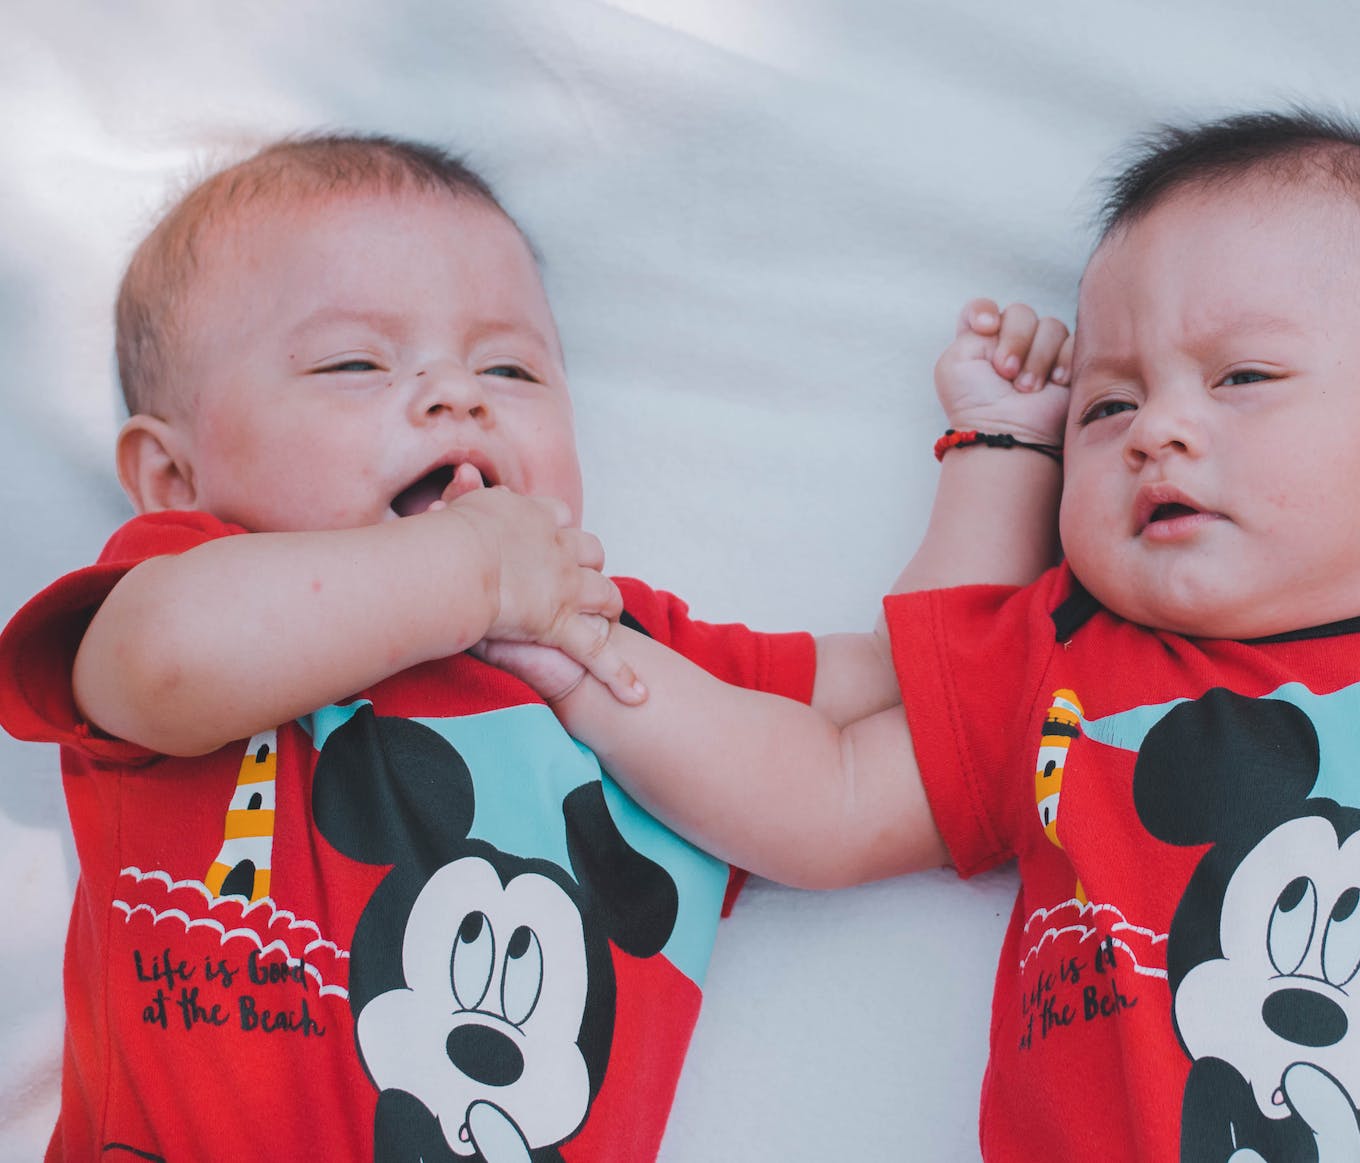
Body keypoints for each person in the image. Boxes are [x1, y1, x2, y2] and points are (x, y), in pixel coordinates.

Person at [495, 111, 1360, 1160]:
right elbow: (825, 798)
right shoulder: (1076, 670)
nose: (1159, 425)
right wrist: (599, 673)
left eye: (1245, 378)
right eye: (1107, 405)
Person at [0, 132, 1070, 1161]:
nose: (455, 393)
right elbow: (161, 662)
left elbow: (899, 684)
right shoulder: (190, 581)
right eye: (353, 362)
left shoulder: (606, 635)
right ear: (173, 477)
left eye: (510, 371)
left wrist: (1002, 450)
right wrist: (467, 575)